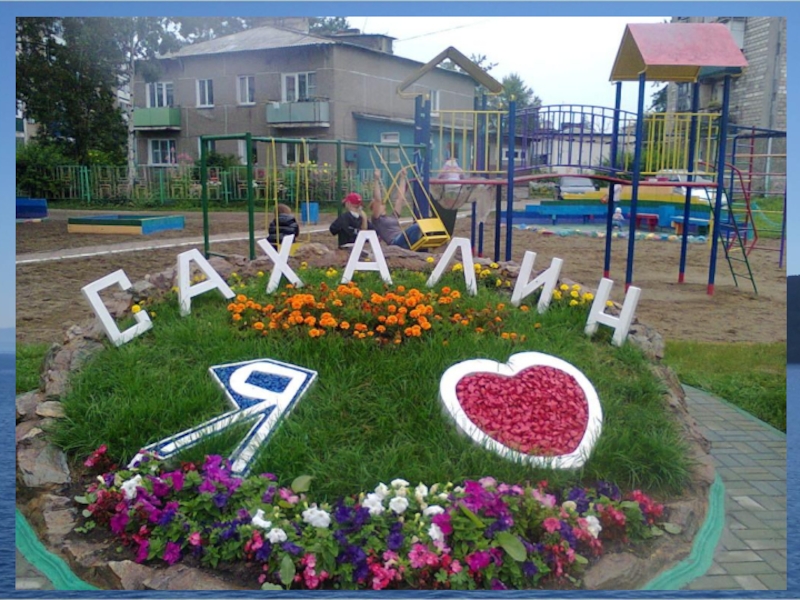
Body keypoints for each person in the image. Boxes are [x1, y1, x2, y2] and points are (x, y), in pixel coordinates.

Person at [369, 168, 423, 250]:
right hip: (394, 241)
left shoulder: (392, 216)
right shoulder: (377, 220)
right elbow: (378, 199)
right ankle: (413, 246)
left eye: (381, 204)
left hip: (401, 238)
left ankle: (414, 247)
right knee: (417, 226)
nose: (381, 204)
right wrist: (376, 180)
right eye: (377, 205)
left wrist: (403, 178)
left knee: (419, 228)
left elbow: (400, 199)